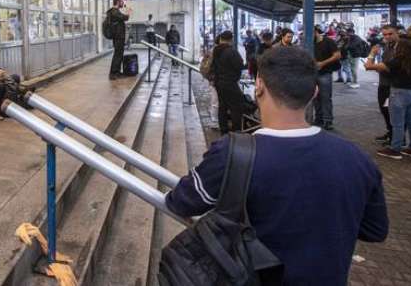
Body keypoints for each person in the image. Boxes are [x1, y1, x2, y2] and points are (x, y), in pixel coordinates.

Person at [165, 46, 388, 284]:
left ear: (259, 85)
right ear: (314, 92)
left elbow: (181, 201)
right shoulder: (357, 158)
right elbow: (375, 230)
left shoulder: (232, 153)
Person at [365, 39, 411, 160]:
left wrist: (372, 53)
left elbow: (368, 66)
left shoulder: (397, 61)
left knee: (397, 123)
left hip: (399, 93)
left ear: (401, 48)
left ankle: (395, 149)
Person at [211, 31, 247, 134]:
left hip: (219, 82)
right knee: (236, 107)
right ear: (231, 39)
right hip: (230, 83)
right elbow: (240, 65)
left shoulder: (216, 50)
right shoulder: (231, 51)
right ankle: (236, 131)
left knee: (222, 107)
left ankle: (224, 130)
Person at [369, 25, 399, 144]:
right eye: (385, 34)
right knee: (385, 110)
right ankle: (391, 133)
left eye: (390, 34)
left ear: (397, 33)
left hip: (394, 85)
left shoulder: (400, 48)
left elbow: (369, 66)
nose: (387, 36)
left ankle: (396, 139)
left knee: (393, 113)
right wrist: (379, 67)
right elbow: (384, 65)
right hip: (384, 83)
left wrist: (372, 56)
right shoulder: (387, 46)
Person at [313, 25, 341, 130]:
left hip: (325, 73)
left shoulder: (328, 41)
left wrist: (322, 63)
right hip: (312, 74)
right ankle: (318, 118)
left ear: (316, 32)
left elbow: (337, 55)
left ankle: (328, 120)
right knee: (315, 98)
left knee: (325, 97)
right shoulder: (309, 42)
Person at [107, 0, 131, 80]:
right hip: (118, 37)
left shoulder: (116, 11)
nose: (123, 3)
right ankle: (113, 73)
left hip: (119, 36)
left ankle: (117, 72)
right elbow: (125, 17)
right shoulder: (114, 11)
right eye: (122, 1)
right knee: (117, 55)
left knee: (119, 54)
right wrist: (128, 11)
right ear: (118, 2)